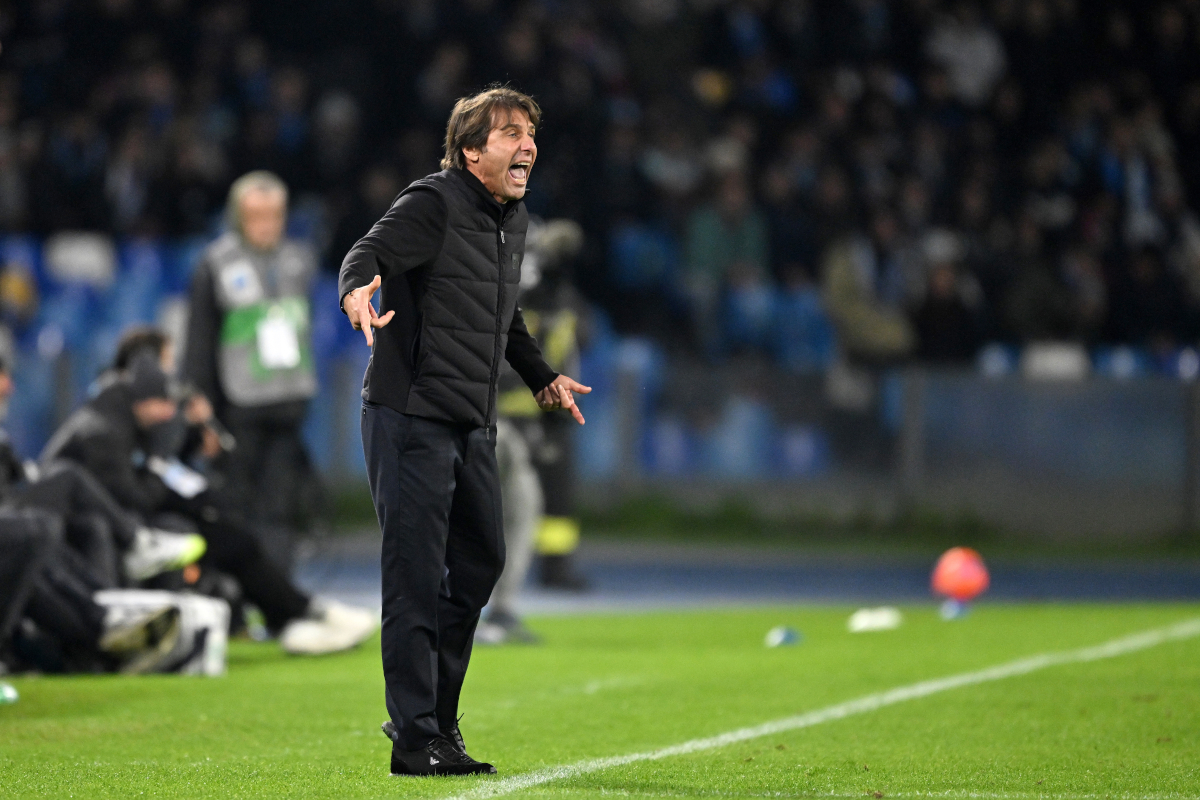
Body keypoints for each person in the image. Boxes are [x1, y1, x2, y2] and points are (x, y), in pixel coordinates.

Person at [339, 86, 589, 776]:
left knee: (480, 563)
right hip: (409, 415)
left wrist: (542, 376)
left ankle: (434, 722)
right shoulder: (433, 202)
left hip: (471, 421)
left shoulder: (513, 217)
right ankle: (417, 739)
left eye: (530, 132)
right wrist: (357, 292)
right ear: (470, 150)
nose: (526, 144)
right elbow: (367, 254)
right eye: (509, 133)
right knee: (415, 575)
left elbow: (504, 321)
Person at [40, 354, 377, 656]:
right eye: (166, 405)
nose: (172, 414)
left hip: (126, 518)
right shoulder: (104, 432)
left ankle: (297, 613)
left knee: (229, 533)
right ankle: (299, 614)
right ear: (147, 401)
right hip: (106, 526)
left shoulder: (120, 418)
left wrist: (187, 445)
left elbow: (145, 482)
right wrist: (164, 452)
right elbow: (137, 496)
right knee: (219, 537)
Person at [180, 170, 320, 556]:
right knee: (235, 505)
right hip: (237, 404)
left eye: (274, 215)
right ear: (237, 217)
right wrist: (199, 401)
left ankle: (277, 601)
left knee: (281, 507)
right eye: (256, 216)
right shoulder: (216, 263)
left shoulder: (298, 260)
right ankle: (239, 597)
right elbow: (200, 338)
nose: (266, 225)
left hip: (289, 399)